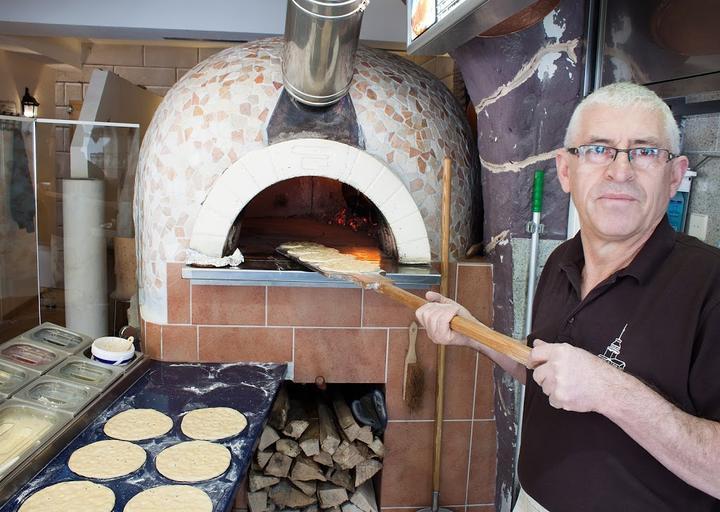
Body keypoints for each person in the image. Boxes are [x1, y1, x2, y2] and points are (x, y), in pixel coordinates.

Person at [416, 82, 720, 511]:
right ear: (565, 170)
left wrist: (610, 391)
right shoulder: (563, 259)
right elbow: (547, 369)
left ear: (675, 175)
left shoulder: (709, 284)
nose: (620, 171)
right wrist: (474, 333)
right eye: (599, 149)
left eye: (645, 151)